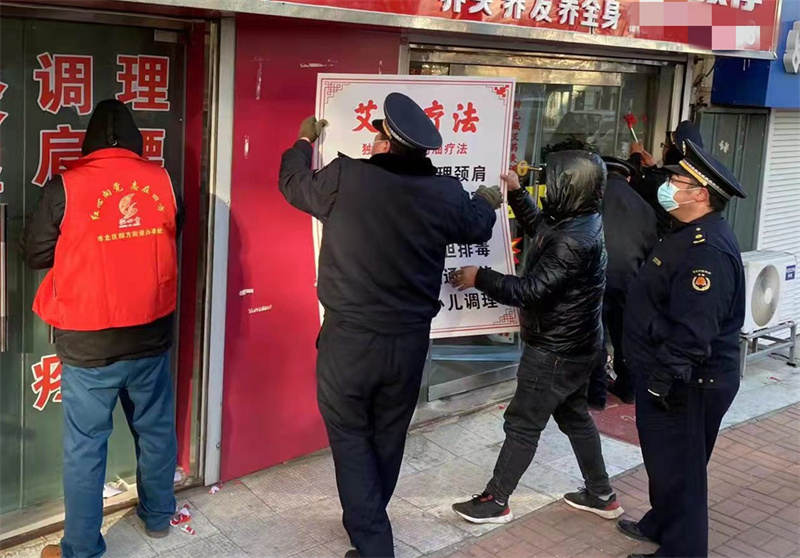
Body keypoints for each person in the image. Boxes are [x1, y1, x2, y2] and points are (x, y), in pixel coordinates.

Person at [278, 92, 499, 558]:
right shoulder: (444, 192)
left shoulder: (346, 177)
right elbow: (477, 224)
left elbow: (293, 184)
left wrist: (303, 141)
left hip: (350, 342)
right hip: (409, 344)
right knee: (387, 435)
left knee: (350, 435)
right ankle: (368, 520)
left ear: (384, 143)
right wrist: (486, 197)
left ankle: (374, 542)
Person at [22, 99, 184, 558]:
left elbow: (34, 253)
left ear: (89, 142)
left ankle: (81, 549)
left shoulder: (65, 187)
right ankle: (158, 516)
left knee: (86, 447)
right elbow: (174, 230)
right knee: (155, 430)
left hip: (88, 342)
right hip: (150, 334)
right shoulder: (163, 181)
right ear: (136, 141)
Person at [450, 151, 624, 525]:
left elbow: (530, 291)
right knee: (574, 417)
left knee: (523, 424)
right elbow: (543, 229)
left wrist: (479, 276)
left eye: (555, 180)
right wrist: (517, 192)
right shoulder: (581, 220)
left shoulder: (573, 239)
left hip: (555, 350)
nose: (548, 186)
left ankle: (496, 500)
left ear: (570, 187)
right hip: (578, 344)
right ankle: (600, 493)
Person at [617, 139, 746, 558]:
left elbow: (696, 330)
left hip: (687, 383)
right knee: (667, 464)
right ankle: (660, 523)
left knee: (682, 473)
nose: (668, 185)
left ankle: (682, 550)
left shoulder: (706, 251)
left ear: (700, 195)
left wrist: (663, 378)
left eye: (677, 181)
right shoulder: (687, 231)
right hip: (670, 374)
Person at [587, 157, 658, 407]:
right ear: (628, 178)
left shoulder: (591, 198)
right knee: (625, 336)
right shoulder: (644, 206)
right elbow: (651, 248)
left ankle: (596, 395)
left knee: (595, 335)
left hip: (594, 277)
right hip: (630, 279)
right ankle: (629, 389)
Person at [629, 120, 704, 238]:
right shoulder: (689, 180)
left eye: (665, 146)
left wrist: (635, 156)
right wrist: (653, 167)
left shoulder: (663, 186)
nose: (663, 150)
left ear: (672, 153)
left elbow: (630, 184)